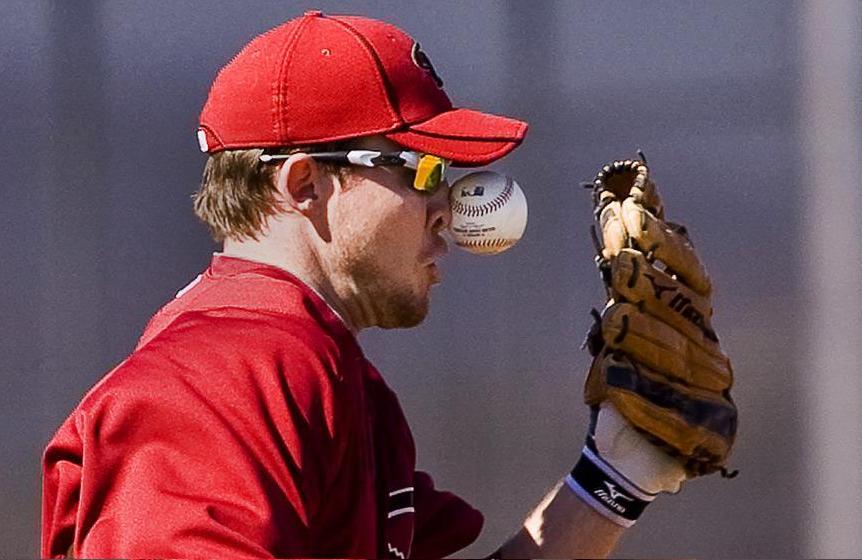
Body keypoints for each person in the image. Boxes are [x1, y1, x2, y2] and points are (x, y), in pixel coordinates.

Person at [41, 11, 717, 559]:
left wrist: (612, 477)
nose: (447, 205)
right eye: (419, 168)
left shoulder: (323, 377)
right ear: (305, 183)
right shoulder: (216, 381)